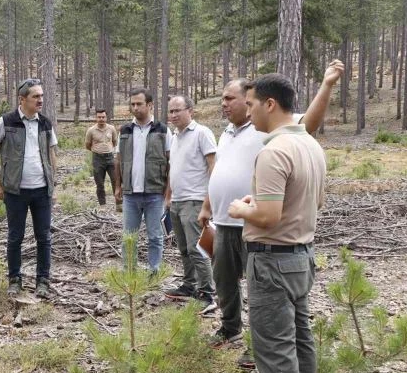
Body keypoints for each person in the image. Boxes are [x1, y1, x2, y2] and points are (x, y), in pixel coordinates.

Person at [201, 60, 344, 348]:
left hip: (257, 224)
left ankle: (261, 344)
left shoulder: (267, 126)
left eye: (230, 99)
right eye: (222, 100)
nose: (224, 104)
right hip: (224, 222)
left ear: (251, 101)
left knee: (262, 291)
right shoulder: (226, 133)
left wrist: (327, 85)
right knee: (225, 282)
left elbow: (310, 124)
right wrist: (207, 204)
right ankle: (230, 328)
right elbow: (219, 172)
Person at [227, 73, 329, 373]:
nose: (248, 111)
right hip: (302, 255)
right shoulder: (310, 146)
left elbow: (269, 218)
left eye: (251, 104)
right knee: (301, 337)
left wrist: (241, 208)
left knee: (274, 345)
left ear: (270, 104)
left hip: (273, 260)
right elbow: (309, 202)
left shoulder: (273, 151)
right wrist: (263, 205)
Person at [0, 78, 58, 299]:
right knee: (15, 237)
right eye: (36, 96)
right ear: (22, 99)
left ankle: (42, 281)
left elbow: (52, 153)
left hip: (42, 190)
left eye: (42, 96)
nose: (41, 100)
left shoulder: (45, 123)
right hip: (15, 191)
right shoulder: (7, 122)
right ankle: (14, 280)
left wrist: (53, 184)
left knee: (44, 237)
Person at [164, 95, 217, 312]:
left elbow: (214, 166)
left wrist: (209, 201)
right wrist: (168, 196)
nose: (174, 115)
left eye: (178, 110)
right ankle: (189, 284)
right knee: (184, 248)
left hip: (195, 200)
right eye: (171, 111)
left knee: (198, 249)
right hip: (177, 200)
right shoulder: (175, 136)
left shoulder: (202, 133)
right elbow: (173, 169)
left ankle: (207, 292)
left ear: (190, 111)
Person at [114, 89, 172, 273]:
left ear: (150, 105)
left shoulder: (162, 130)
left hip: (155, 193)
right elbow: (118, 159)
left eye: (139, 104)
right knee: (129, 237)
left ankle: (154, 271)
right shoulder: (125, 130)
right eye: (132, 104)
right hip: (131, 194)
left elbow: (171, 161)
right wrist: (117, 186)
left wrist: (168, 191)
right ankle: (129, 273)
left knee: (155, 236)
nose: (135, 107)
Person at [85, 108, 119, 209]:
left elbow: (115, 141)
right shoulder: (91, 130)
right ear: (96, 118)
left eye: (103, 117)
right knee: (99, 183)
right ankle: (102, 205)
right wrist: (97, 151)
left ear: (106, 117)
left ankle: (119, 203)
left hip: (110, 158)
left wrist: (109, 150)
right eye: (99, 117)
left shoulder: (111, 128)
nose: (101, 119)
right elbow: (87, 145)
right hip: (97, 159)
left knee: (115, 180)